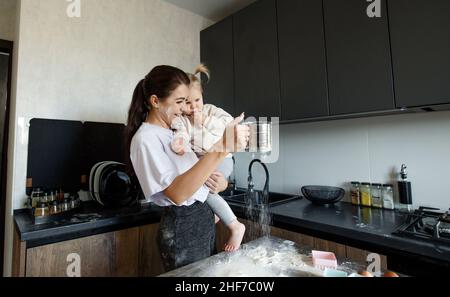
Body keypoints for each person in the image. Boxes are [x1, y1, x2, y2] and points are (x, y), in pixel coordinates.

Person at [126, 65, 249, 271]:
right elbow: (177, 193)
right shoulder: (146, 139)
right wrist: (221, 147)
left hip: (203, 219)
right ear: (155, 101)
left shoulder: (174, 131)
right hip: (182, 227)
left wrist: (221, 183)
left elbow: (199, 175)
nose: (186, 108)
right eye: (180, 102)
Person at [170, 64, 246, 252]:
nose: (194, 106)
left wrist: (205, 120)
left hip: (223, 159)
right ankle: (219, 213)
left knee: (205, 187)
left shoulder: (212, 111)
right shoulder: (182, 120)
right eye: (187, 103)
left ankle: (235, 226)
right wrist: (179, 143)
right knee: (204, 188)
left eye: (197, 100)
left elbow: (228, 126)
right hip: (204, 162)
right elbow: (181, 133)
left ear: (202, 94)